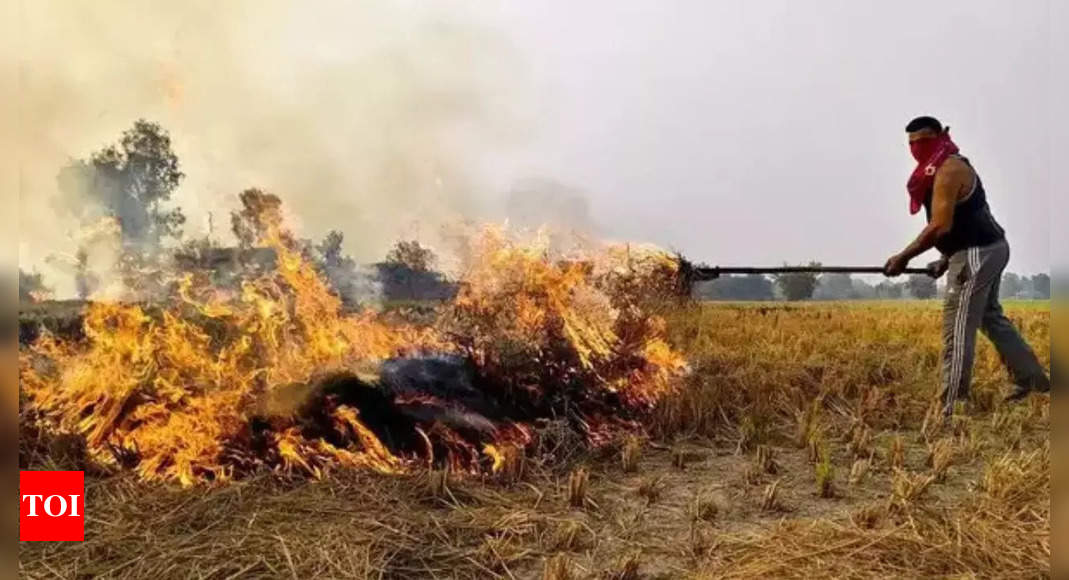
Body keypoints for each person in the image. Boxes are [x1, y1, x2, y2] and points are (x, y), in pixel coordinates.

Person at [883, 115, 1050, 416]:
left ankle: (953, 402)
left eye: (921, 142)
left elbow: (940, 226)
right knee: (990, 316)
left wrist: (903, 257)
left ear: (936, 138)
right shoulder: (936, 168)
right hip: (986, 248)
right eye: (910, 144)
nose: (915, 149)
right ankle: (1035, 382)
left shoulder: (949, 169)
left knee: (959, 323)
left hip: (979, 251)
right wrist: (947, 259)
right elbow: (964, 220)